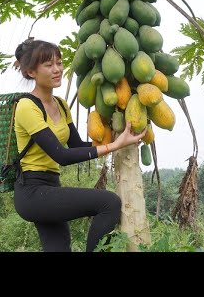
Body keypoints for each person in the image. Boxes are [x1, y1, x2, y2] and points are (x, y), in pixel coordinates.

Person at [13, 38, 146, 252]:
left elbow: (76, 145)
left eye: (59, 62)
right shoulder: (26, 106)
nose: (57, 69)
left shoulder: (61, 105)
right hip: (32, 192)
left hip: (50, 187)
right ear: (31, 72)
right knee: (108, 203)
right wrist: (114, 147)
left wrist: (119, 137)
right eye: (48, 65)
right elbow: (63, 156)